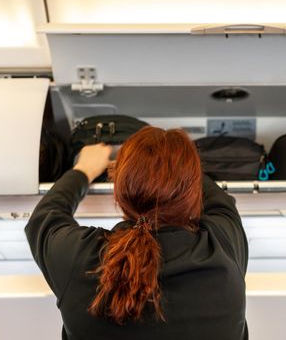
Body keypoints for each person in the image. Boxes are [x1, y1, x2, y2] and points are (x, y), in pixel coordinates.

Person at [25, 126, 248, 340]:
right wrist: (173, 161)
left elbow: (46, 215)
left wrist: (84, 169)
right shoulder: (223, 247)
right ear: (192, 191)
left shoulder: (80, 260)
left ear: (118, 192)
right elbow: (220, 202)